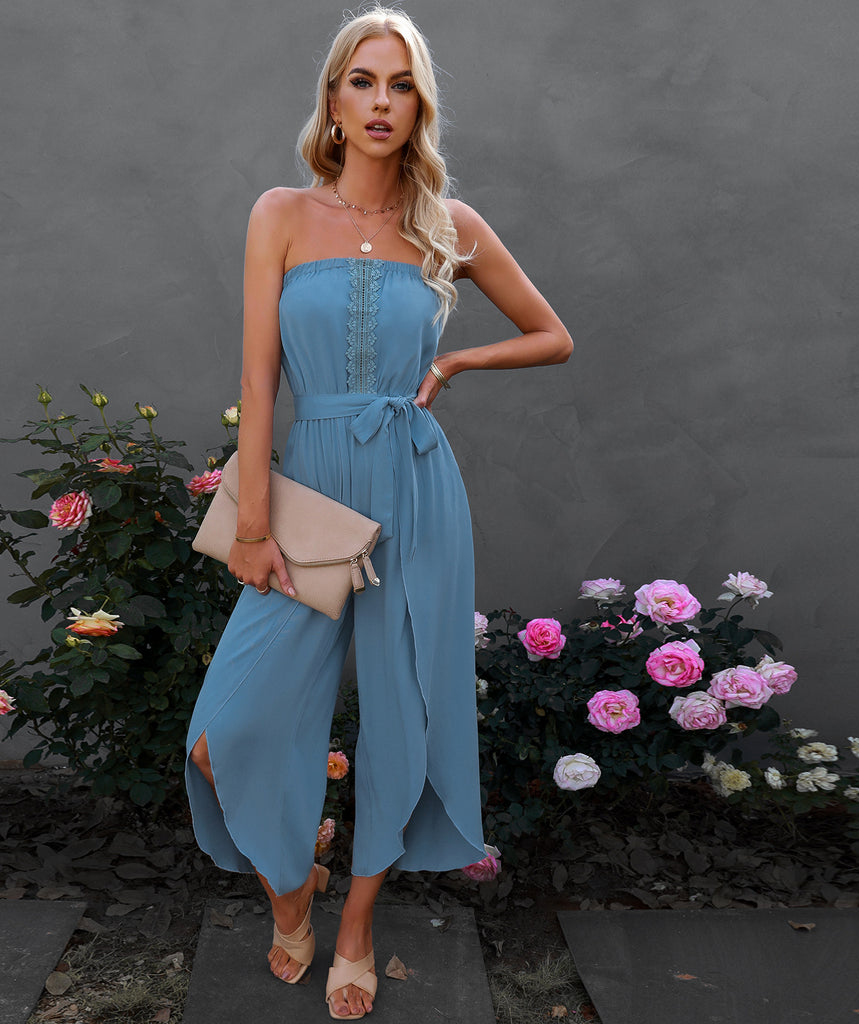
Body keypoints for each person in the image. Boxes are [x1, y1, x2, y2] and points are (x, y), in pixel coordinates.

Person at [186, 6, 572, 1018]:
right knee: (224, 732)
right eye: (363, 81)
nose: (381, 102)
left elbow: (552, 334)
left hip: (414, 485)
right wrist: (254, 524)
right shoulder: (280, 213)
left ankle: (355, 923)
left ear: (420, 107)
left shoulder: (449, 226)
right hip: (309, 490)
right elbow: (258, 383)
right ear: (333, 98)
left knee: (405, 710)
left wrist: (457, 360)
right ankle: (293, 888)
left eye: (401, 85)